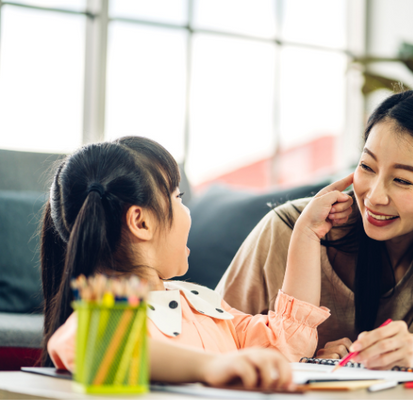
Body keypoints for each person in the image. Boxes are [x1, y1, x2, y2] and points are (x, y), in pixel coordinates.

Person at [217, 89, 413, 370]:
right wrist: (304, 362)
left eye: (401, 180)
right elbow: (211, 332)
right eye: (367, 166)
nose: (374, 197)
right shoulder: (288, 228)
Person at [41, 136, 346, 390]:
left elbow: (284, 346)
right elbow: (87, 342)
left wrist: (306, 233)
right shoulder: (112, 310)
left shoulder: (199, 303)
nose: (187, 211)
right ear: (141, 221)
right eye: (179, 197)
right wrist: (211, 366)